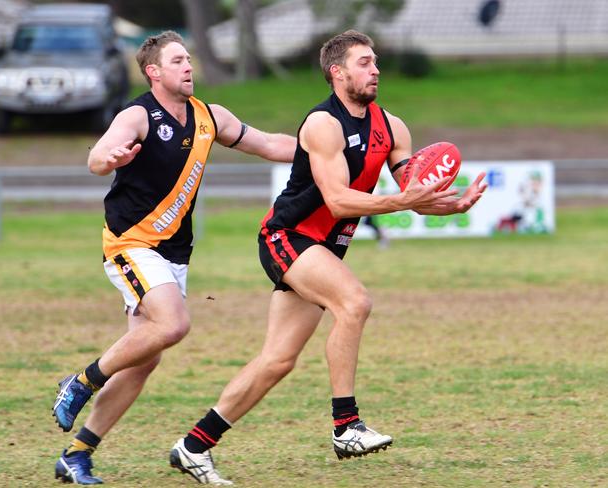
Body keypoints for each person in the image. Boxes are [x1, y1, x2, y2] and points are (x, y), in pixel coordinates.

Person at [168, 30, 487, 486]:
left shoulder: (392, 127)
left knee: (277, 360)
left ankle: (194, 445)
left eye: (375, 61)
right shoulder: (323, 124)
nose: (375, 69)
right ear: (338, 73)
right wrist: (405, 202)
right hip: (288, 237)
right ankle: (346, 426)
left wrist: (449, 204)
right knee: (354, 302)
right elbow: (338, 200)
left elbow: (410, 192)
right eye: (363, 62)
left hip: (324, 248)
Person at [51, 30, 296, 485]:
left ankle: (77, 454)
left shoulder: (209, 116)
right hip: (130, 242)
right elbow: (99, 158)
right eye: (179, 60)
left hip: (173, 252)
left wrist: (325, 147)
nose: (189, 67)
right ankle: (81, 381)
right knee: (175, 324)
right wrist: (110, 157)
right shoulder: (137, 115)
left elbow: (269, 145)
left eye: (190, 59)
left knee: (143, 359)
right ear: (154, 71)